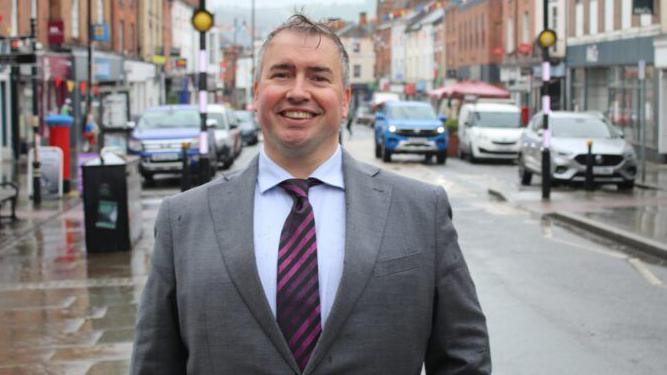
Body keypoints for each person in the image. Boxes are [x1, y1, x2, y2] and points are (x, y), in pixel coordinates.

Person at [132, 14, 490, 374]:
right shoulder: (183, 220)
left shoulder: (420, 211)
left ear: (345, 99)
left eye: (319, 77)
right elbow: (155, 364)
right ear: (256, 94)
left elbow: (464, 358)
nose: (298, 91)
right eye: (282, 74)